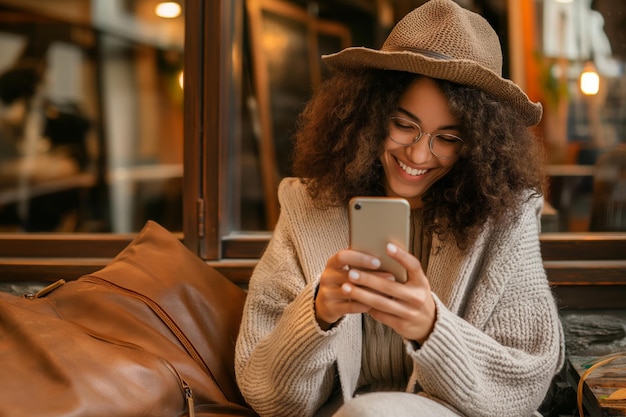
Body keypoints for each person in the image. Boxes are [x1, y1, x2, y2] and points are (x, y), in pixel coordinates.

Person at [235, 1, 565, 416]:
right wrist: (316, 316)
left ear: (480, 145)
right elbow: (269, 397)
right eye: (404, 125)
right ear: (368, 114)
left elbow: (524, 385)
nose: (419, 154)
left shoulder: (505, 219)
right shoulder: (307, 207)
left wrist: (431, 329)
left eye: (448, 138)